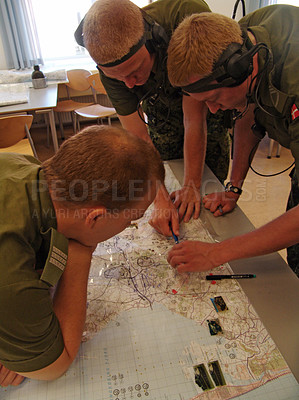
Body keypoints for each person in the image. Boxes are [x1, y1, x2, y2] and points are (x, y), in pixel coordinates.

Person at [0, 125, 165, 387]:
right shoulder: (11, 278)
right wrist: (80, 250)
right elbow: (54, 366)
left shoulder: (23, 165)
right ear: (96, 217)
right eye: (132, 219)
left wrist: (20, 337)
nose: (130, 226)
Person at [78, 0, 231, 240]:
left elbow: (194, 119)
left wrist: (191, 186)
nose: (128, 84)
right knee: (165, 172)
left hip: (204, 102)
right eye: (118, 78)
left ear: (155, 42)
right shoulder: (113, 69)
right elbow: (138, 136)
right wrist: (160, 199)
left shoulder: (184, 19)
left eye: (134, 71)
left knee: (206, 185)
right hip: (159, 105)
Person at [166, 5, 299, 276]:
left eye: (214, 100)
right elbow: (248, 116)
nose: (213, 110)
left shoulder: (293, 77)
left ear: (240, 70)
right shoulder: (242, 42)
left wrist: (216, 252)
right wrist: (233, 188)